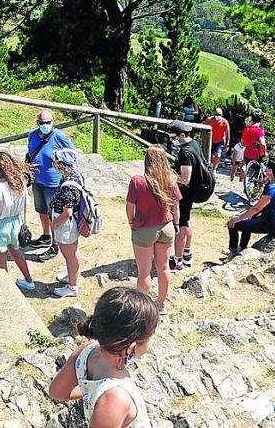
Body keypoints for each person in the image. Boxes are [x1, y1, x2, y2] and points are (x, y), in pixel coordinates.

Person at [49, 287, 158, 428]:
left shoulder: (86, 350)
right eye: (149, 337)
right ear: (132, 346)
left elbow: (57, 392)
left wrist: (92, 393)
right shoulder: (116, 398)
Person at [126, 146, 181, 312]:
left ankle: (142, 308)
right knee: (163, 268)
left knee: (144, 271)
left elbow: (130, 207)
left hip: (144, 229)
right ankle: (161, 304)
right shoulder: (170, 180)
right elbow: (176, 208)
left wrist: (131, 222)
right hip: (166, 227)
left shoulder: (137, 181)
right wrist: (176, 225)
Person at [0, 150, 36, 293]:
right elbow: (26, 204)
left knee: (1, 264)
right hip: (16, 224)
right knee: (17, 253)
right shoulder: (20, 184)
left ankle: (6, 292)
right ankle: (29, 281)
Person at [27, 109, 76, 255]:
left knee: (53, 213)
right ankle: (46, 235)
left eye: (48, 122)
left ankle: (55, 243)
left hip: (53, 183)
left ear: (53, 122)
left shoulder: (59, 136)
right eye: (42, 123)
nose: (45, 125)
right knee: (41, 210)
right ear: (37, 123)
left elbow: (71, 155)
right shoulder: (32, 135)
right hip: (36, 179)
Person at [223, 160, 275, 260]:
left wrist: (238, 218)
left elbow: (256, 208)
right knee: (248, 218)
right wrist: (245, 217)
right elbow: (260, 208)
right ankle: (241, 248)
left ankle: (232, 253)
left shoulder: (272, 188)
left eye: (266, 168)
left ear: (270, 171)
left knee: (232, 225)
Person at [48, 148, 86, 298]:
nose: (54, 164)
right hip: (72, 221)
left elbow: (67, 213)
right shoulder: (76, 175)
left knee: (70, 255)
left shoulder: (68, 186)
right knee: (73, 253)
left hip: (66, 224)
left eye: (56, 162)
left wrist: (54, 224)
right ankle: (71, 276)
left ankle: (72, 287)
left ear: (61, 164)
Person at [165, 121, 202, 270]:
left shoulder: (185, 152)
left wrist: (169, 178)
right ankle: (187, 254)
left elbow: (185, 179)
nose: (172, 140)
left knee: (180, 226)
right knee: (186, 222)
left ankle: (178, 261)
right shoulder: (194, 144)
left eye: (174, 137)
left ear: (182, 135)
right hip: (193, 191)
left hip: (185, 193)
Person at [234, 111, 267, 182]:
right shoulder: (260, 131)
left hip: (247, 154)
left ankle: (244, 177)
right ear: (261, 120)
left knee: (244, 163)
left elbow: (242, 143)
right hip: (257, 155)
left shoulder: (246, 129)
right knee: (262, 167)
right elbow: (263, 144)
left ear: (252, 119)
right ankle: (258, 182)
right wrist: (264, 153)